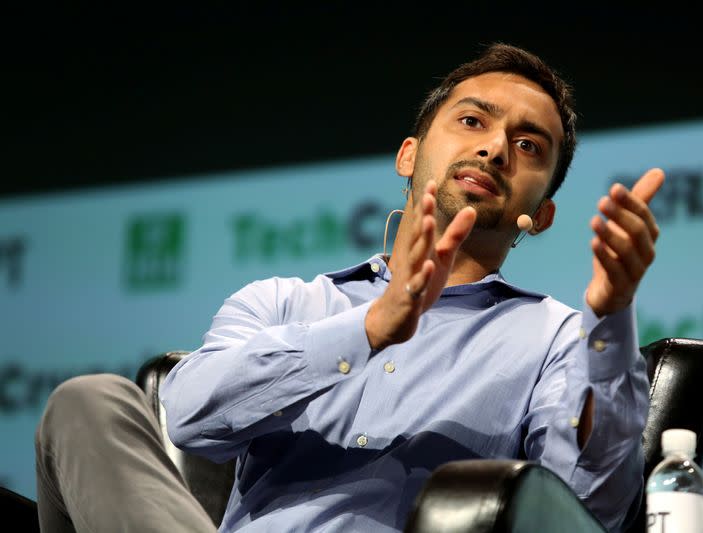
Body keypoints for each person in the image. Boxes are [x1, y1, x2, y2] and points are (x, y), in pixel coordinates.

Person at [34, 42, 664, 533]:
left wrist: (610, 316)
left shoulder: (554, 337)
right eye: (472, 121)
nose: (496, 148)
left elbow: (589, 510)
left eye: (529, 145)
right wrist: (365, 330)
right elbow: (191, 419)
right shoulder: (283, 302)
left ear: (543, 213)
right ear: (409, 156)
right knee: (88, 402)